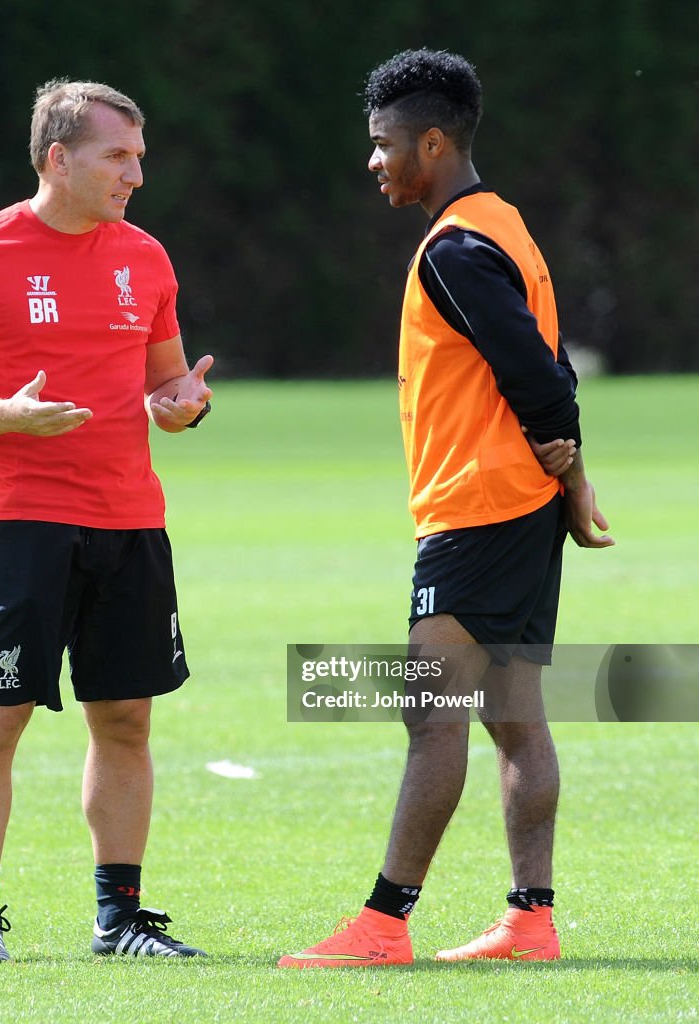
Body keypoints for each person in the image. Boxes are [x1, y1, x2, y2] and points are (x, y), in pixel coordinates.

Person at [278, 48, 613, 969]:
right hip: (516, 506)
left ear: (433, 142)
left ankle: (384, 924)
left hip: (477, 512)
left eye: (385, 145)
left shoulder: (456, 247)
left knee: (432, 713)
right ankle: (528, 921)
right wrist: (568, 476)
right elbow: (552, 368)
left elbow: (535, 372)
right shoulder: (502, 225)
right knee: (511, 711)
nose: (374, 162)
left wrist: (563, 454)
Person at [0, 79, 213, 965]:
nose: (135, 175)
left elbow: (162, 382)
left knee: (125, 722)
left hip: (130, 520)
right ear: (58, 159)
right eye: (118, 157)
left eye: (139, 157)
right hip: (20, 523)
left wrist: (181, 403)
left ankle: (119, 920)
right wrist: (6, 414)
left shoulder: (146, 258)